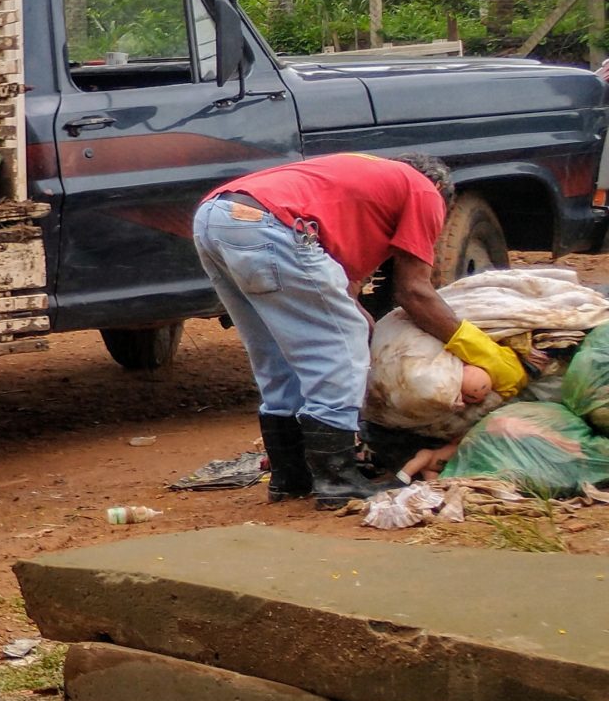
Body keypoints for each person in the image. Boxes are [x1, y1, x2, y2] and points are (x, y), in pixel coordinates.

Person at [194, 152, 525, 509]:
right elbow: (413, 291)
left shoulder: (365, 183)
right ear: (441, 189)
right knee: (342, 347)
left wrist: (357, 316)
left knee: (275, 351)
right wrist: (483, 351)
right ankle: (336, 480)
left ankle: (291, 476)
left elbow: (339, 288)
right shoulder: (424, 191)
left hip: (217, 217)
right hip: (270, 224)